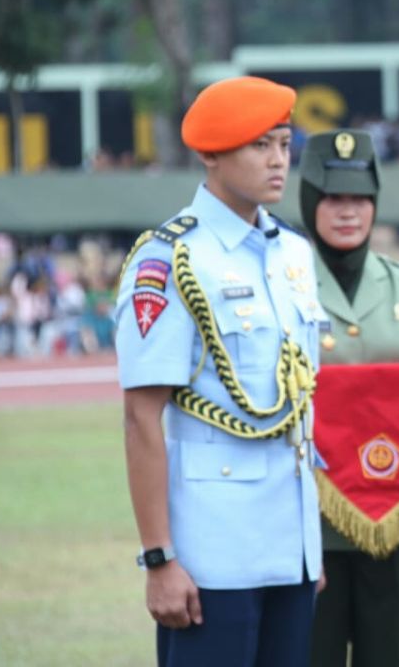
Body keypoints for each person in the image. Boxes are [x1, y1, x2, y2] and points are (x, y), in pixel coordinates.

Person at [115, 76, 324, 667]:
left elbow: (300, 403)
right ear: (210, 154)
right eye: (259, 146)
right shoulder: (171, 258)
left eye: (284, 143)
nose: (279, 160)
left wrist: (310, 545)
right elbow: (140, 416)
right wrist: (159, 558)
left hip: (291, 543)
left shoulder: (293, 254)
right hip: (212, 550)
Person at [299, 130, 399, 667]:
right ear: (310, 199)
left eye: (360, 198)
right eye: (334, 198)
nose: (348, 212)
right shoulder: (281, 286)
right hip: (308, 526)